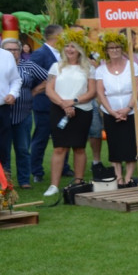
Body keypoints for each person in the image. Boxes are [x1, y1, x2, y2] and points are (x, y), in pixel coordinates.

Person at [43, 38, 96, 197]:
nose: (70, 49)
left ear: (80, 48)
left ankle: (78, 182)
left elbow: (91, 92)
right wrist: (64, 105)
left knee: (79, 147)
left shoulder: (88, 68)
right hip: (59, 109)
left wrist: (73, 102)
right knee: (59, 147)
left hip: (82, 110)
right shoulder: (56, 66)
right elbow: (49, 90)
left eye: (73, 46)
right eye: (67, 46)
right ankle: (54, 185)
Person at [95, 34, 138, 188]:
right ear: (106, 50)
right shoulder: (101, 70)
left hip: (131, 110)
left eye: (117, 47)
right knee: (114, 144)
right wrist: (112, 111)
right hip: (110, 112)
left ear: (122, 49)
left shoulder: (132, 66)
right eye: (111, 48)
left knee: (130, 144)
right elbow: (100, 92)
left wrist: (128, 108)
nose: (114, 50)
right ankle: (118, 177)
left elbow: (137, 88)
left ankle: (128, 177)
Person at [28, 24, 71, 182]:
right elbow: (31, 76)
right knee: (41, 137)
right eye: (63, 35)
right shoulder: (40, 54)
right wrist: (41, 88)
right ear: (56, 37)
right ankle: (37, 171)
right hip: (44, 104)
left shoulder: (63, 54)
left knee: (63, 136)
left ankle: (64, 167)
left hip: (62, 103)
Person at [3, 38, 48, 188]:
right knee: (4, 149)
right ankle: (6, 182)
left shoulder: (27, 65)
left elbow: (49, 77)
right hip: (3, 114)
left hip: (23, 114)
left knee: (22, 149)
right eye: (9, 49)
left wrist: (34, 91)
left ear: (20, 50)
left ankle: (23, 180)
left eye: (15, 49)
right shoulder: (2, 64)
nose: (12, 52)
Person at [0, 39, 23, 179]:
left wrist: (13, 93)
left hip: (2, 109)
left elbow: (16, 79)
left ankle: (3, 182)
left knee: (2, 147)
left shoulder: (6, 56)